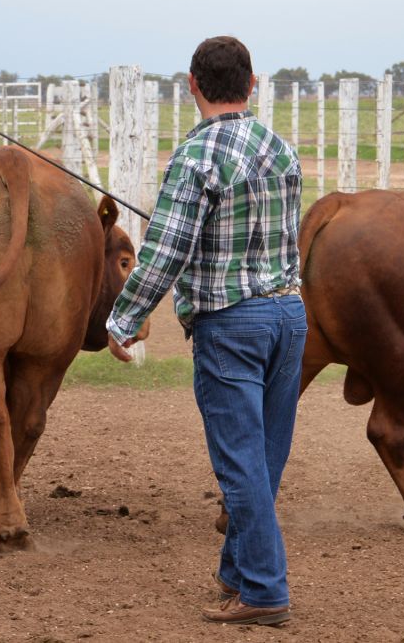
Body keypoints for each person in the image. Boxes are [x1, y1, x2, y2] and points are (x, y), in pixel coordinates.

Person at [106, 35, 306, 627]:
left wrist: (125, 317)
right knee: (264, 461)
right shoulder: (283, 151)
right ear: (253, 85)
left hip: (231, 323)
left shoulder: (194, 158)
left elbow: (166, 249)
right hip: (290, 317)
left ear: (192, 85)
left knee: (241, 464)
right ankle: (238, 574)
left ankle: (266, 592)